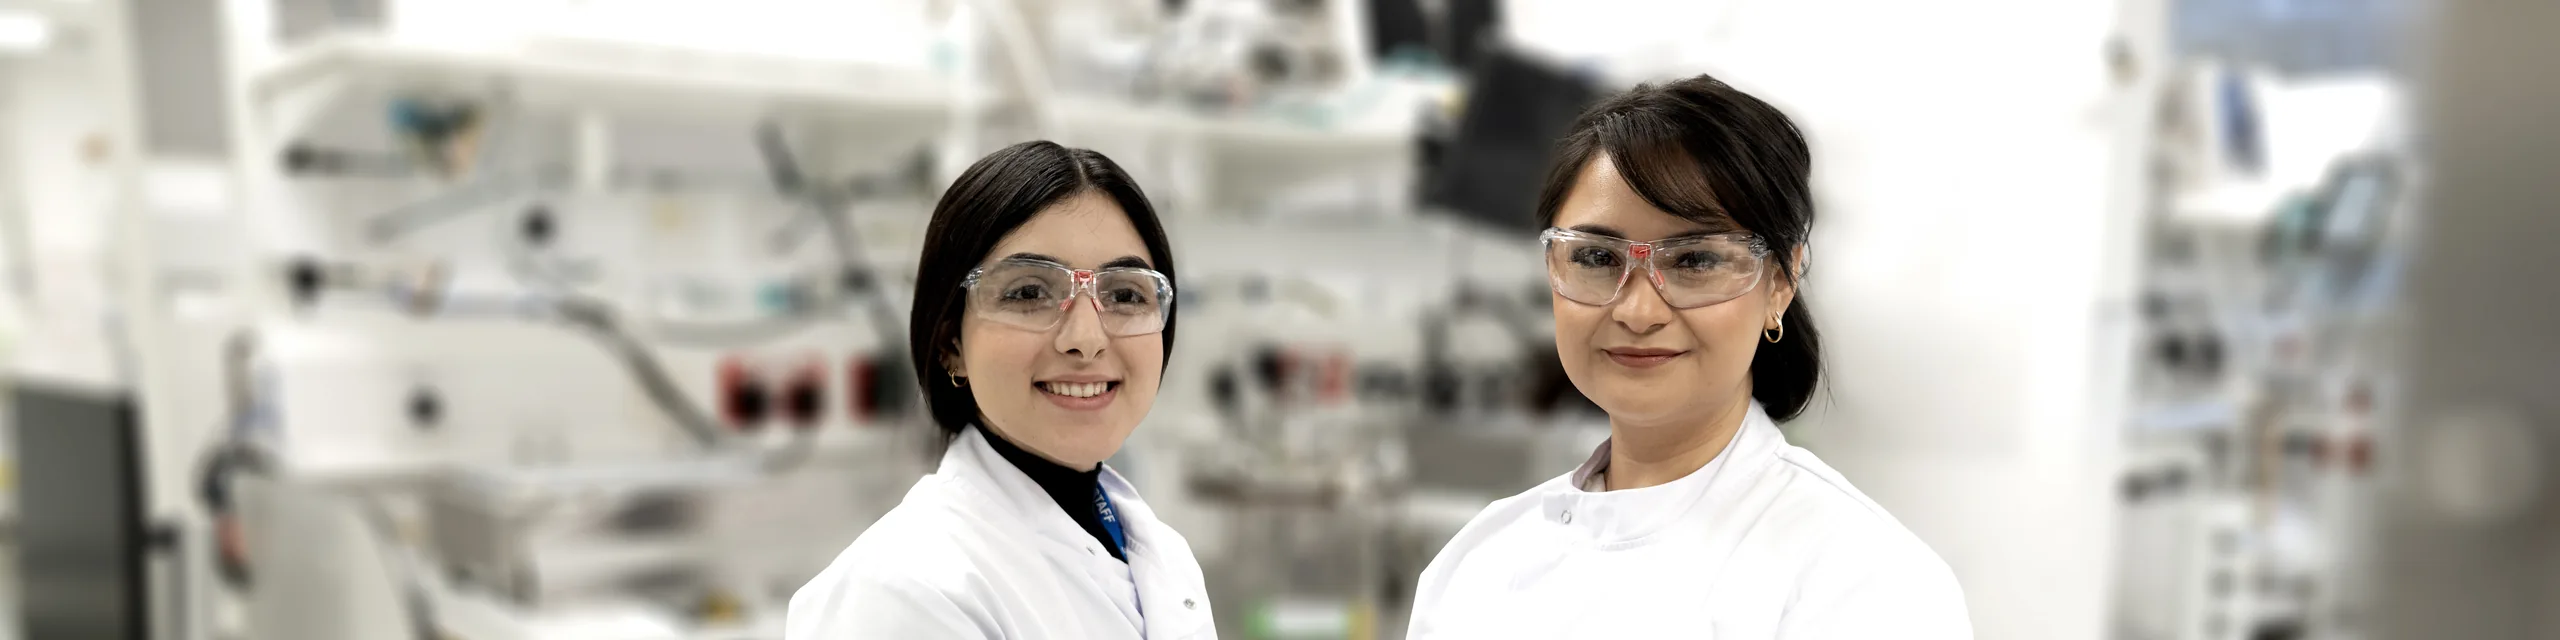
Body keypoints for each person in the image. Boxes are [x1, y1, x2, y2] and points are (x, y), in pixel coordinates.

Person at [1404, 74, 1973, 638]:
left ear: (1780, 281)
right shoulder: (1476, 566)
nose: (1638, 311)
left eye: (1695, 260)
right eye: (1598, 257)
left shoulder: (1866, 581)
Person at [788, 141, 1216, 639]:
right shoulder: (903, 591)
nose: (1086, 339)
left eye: (1125, 294)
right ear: (951, 343)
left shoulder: (1162, 556)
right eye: (1029, 293)